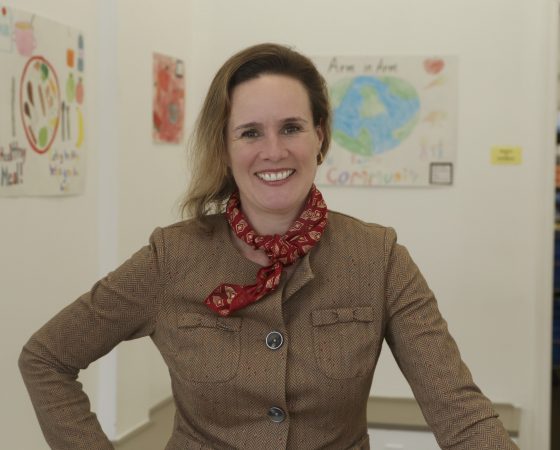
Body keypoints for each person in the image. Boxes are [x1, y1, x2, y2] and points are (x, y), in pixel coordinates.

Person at [19, 43, 519, 450]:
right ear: (225, 146)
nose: (273, 151)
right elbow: (46, 358)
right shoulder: (172, 258)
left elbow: (461, 415)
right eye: (250, 132)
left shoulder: (379, 258)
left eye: (292, 128)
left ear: (320, 136)